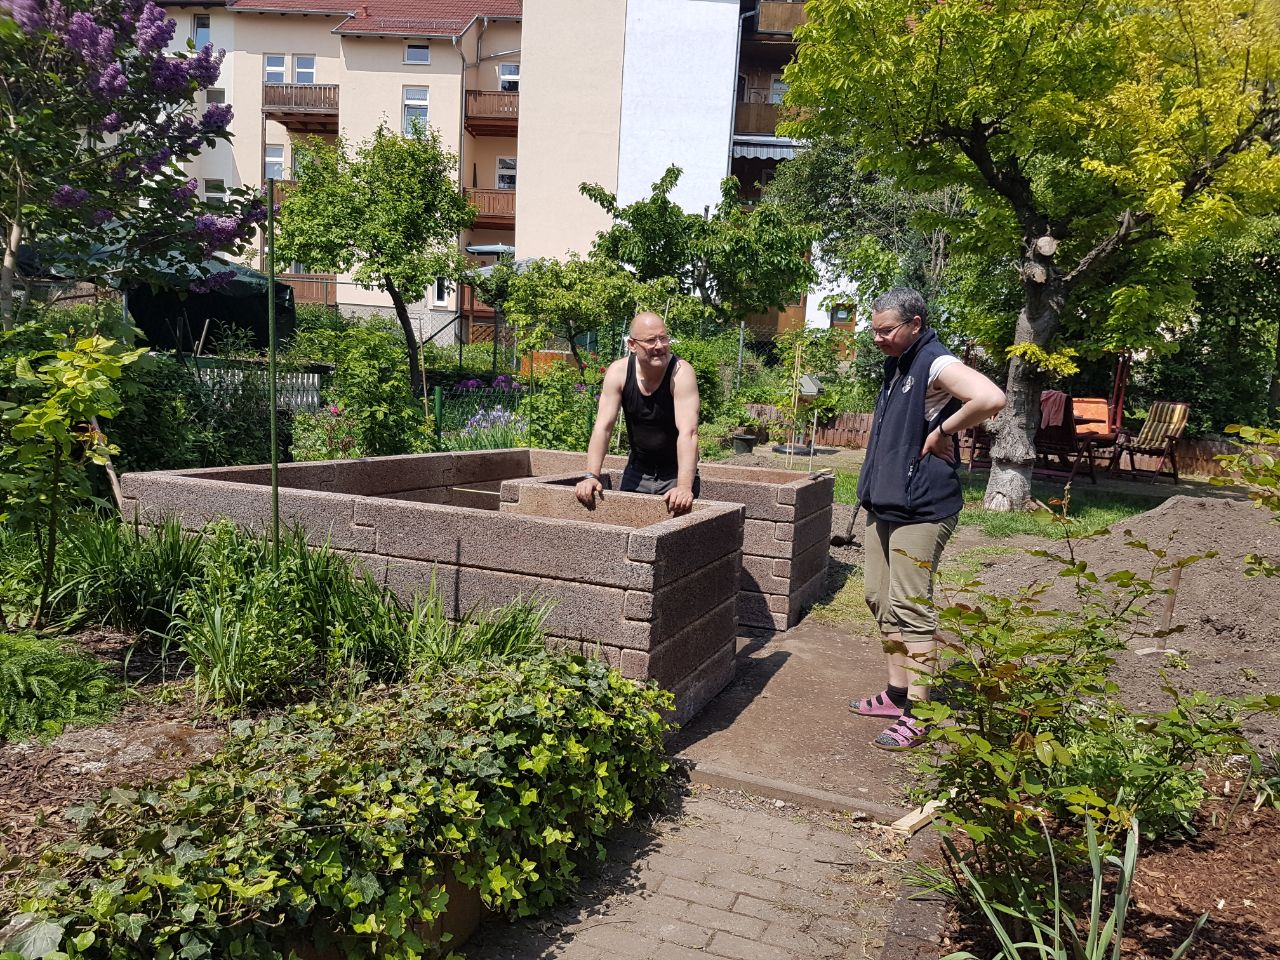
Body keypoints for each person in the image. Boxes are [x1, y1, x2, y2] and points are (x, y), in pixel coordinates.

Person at [850, 287, 1006, 750]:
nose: (877, 338)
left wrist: (942, 430)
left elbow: (990, 397)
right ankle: (897, 694)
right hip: (887, 502)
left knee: (911, 607)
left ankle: (920, 713)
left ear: (915, 324)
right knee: (879, 598)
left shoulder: (934, 361)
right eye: (873, 330)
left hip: (923, 506)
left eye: (886, 330)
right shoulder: (896, 363)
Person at [574, 311, 700, 515]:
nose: (660, 346)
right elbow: (603, 428)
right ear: (632, 345)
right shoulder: (619, 372)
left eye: (663, 338)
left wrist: (685, 487)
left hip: (675, 474)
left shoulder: (681, 373)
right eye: (651, 340)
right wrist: (591, 476)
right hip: (637, 472)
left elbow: (689, 432)